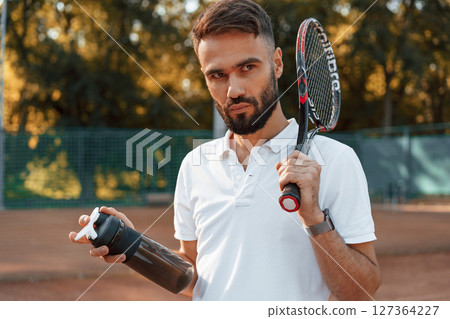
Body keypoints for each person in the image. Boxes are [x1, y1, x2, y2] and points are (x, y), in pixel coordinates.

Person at [69, 0, 381, 301]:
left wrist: (314, 218)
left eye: (247, 67)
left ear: (277, 63)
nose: (233, 90)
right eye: (217, 75)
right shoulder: (195, 165)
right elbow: (190, 277)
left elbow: (360, 292)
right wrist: (133, 246)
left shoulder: (337, 161)